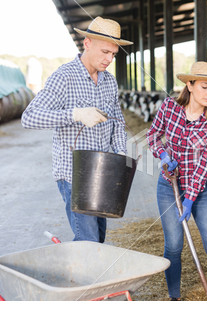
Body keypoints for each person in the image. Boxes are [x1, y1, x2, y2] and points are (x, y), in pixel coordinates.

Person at [21, 17, 132, 242]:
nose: (109, 59)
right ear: (87, 43)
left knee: (97, 238)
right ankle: (72, 273)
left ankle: (73, 270)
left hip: (103, 171)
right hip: (74, 174)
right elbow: (29, 117)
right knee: (88, 240)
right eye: (104, 52)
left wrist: (120, 153)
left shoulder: (109, 82)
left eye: (113, 54)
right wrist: (76, 114)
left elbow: (118, 122)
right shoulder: (64, 77)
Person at [146, 61, 207, 301]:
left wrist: (191, 197)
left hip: (202, 192)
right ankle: (175, 297)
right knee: (173, 245)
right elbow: (153, 134)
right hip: (168, 187)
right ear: (190, 85)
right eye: (204, 86)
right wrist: (163, 155)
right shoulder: (170, 107)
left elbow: (206, 163)